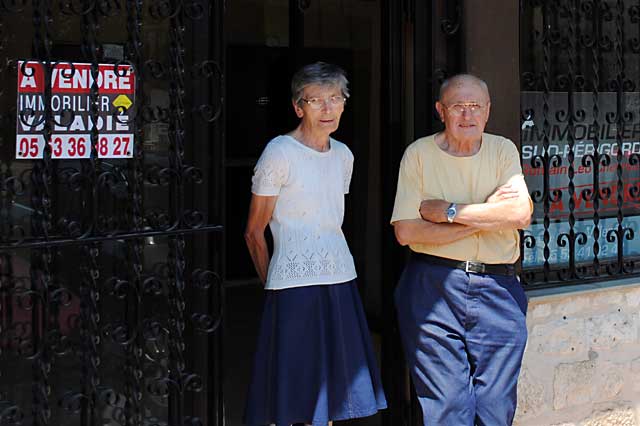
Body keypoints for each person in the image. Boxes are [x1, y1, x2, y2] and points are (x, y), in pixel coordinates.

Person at [243, 62, 387, 426]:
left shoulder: (343, 155)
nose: (327, 109)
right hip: (293, 286)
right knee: (297, 391)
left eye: (335, 99)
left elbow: (326, 216)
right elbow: (253, 231)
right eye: (316, 100)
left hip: (339, 278)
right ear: (298, 107)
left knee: (336, 389)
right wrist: (272, 282)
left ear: (343, 104)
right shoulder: (279, 152)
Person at [390, 74, 533, 426]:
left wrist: (450, 213)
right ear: (441, 111)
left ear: (487, 111)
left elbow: (520, 213)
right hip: (432, 285)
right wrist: (486, 214)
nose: (467, 115)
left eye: (475, 107)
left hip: (499, 289)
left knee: (496, 407)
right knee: (447, 405)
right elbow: (407, 231)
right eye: (457, 106)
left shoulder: (503, 150)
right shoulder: (419, 154)